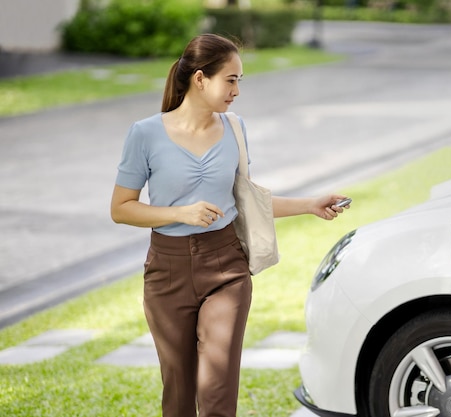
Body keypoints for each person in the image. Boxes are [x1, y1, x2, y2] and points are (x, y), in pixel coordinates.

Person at [110, 33, 349, 417]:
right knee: (179, 393)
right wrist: (179, 213)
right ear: (201, 79)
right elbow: (121, 208)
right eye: (231, 79)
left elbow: (246, 203)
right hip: (167, 271)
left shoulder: (234, 129)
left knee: (218, 387)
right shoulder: (146, 133)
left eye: (240, 81)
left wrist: (309, 204)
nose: (237, 90)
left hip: (225, 266)